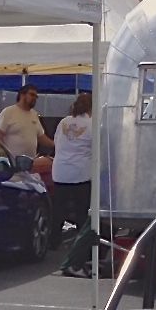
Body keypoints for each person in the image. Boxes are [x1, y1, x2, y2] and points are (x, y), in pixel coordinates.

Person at [53, 92, 100, 277]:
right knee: (82, 212)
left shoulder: (63, 122)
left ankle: (53, 241)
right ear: (91, 107)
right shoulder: (91, 124)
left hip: (60, 170)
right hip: (80, 172)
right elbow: (97, 148)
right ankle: (81, 246)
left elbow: (57, 142)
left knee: (58, 210)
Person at [0, 84, 54, 159]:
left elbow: (41, 137)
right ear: (22, 95)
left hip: (30, 162)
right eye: (32, 95)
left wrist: (56, 144)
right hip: (12, 162)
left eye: (36, 96)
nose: (34, 98)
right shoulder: (8, 112)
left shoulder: (34, 114)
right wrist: (3, 154)